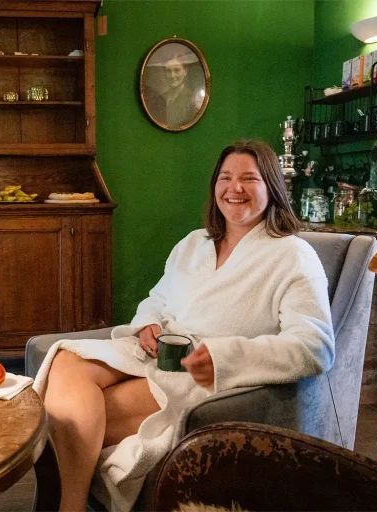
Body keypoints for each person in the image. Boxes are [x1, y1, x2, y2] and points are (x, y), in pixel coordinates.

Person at [34, 139, 335, 511]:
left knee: (61, 415)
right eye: (225, 177)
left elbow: (314, 347)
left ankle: (69, 507)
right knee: (65, 361)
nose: (234, 188)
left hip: (200, 374)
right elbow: (158, 299)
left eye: (248, 179)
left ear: (272, 187)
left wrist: (224, 356)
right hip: (153, 353)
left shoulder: (292, 255)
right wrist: (147, 323)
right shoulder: (194, 243)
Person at [159, 56, 198, 127]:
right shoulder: (160, 98)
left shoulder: (192, 99)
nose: (172, 76)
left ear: (185, 71)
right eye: (168, 71)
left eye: (177, 70)